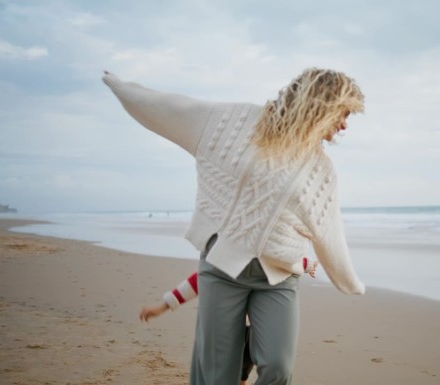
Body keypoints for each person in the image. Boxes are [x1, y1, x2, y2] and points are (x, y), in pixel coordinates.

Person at [103, 67, 366, 385]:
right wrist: (124, 89)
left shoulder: (321, 169)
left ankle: (242, 351)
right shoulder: (234, 122)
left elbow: (329, 230)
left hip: (278, 276)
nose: (344, 124)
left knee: (278, 367)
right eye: (343, 113)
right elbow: (172, 110)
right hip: (221, 269)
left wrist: (349, 281)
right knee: (218, 376)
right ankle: (233, 355)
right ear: (321, 104)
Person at [139, 258, 319, 385]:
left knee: (273, 364)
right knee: (229, 366)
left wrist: (309, 264)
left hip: (257, 331)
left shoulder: (275, 258)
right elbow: (201, 279)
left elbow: (291, 258)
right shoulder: (226, 263)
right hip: (232, 329)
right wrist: (164, 306)